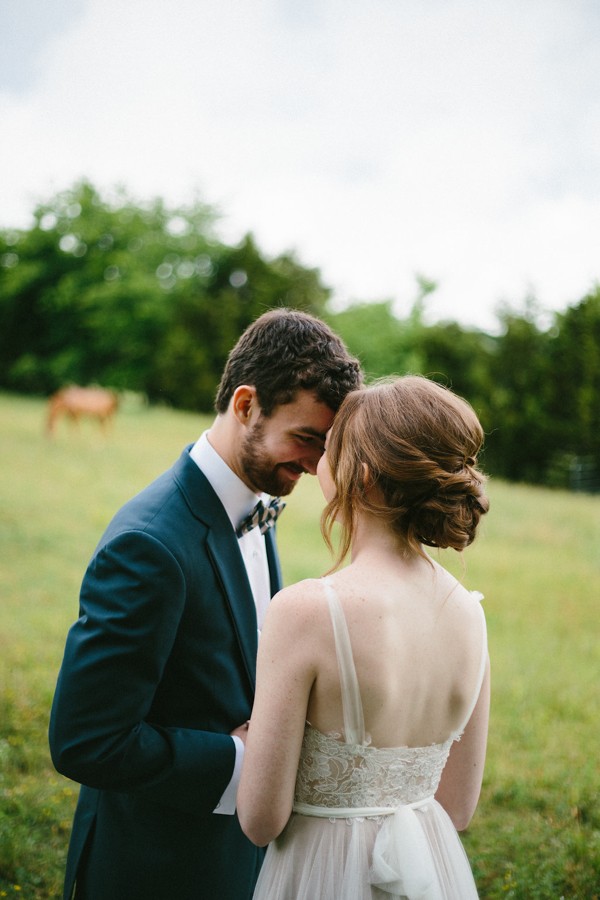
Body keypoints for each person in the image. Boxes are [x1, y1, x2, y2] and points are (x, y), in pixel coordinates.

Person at [49, 308, 363, 900]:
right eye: (306, 440)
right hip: (152, 863)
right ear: (246, 405)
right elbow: (85, 740)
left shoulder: (254, 498)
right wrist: (245, 760)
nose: (317, 466)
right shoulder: (150, 546)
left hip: (228, 857)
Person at [237, 375, 491, 900]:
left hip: (324, 873)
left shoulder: (308, 610)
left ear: (365, 476)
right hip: (431, 865)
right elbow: (459, 808)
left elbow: (260, 821)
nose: (316, 462)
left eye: (331, 448)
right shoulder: (469, 613)